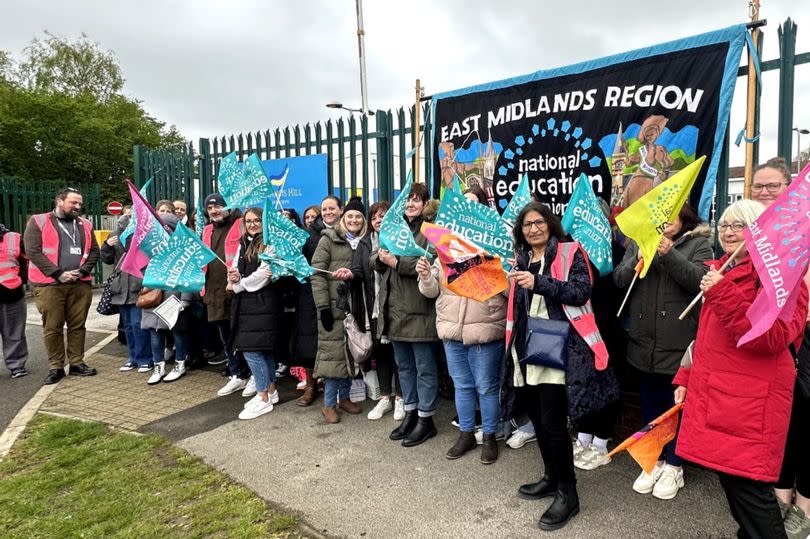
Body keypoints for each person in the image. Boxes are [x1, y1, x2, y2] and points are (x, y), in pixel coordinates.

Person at [673, 199, 808, 539]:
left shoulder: (784, 281)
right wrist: (686, 377)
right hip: (719, 398)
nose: (729, 232)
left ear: (761, 234)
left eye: (740, 225)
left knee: (750, 495)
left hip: (747, 407)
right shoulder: (723, 270)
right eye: (725, 225)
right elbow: (706, 340)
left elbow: (773, 338)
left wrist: (722, 292)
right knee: (736, 490)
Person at [504, 201, 616, 531]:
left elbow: (581, 291)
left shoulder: (569, 252)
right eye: (527, 225)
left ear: (550, 224)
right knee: (538, 420)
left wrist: (538, 282)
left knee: (554, 424)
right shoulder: (521, 258)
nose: (533, 229)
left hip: (559, 349)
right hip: (527, 350)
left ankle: (569, 493)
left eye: (538, 223)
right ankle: (551, 477)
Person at [613, 203, 712, 499]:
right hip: (643, 342)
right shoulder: (639, 241)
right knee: (651, 405)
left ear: (684, 216)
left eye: (672, 214)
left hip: (677, 345)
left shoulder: (700, 243)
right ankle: (654, 459)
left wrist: (670, 253)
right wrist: (636, 261)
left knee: (676, 408)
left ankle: (675, 464)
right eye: (660, 216)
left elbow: (700, 282)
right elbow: (619, 280)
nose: (665, 221)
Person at [416, 246, 506, 464]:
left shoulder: (495, 250)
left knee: (486, 387)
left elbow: (510, 292)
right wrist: (426, 276)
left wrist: (499, 268)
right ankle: (466, 434)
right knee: (462, 386)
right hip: (452, 330)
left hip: (485, 329)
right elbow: (430, 291)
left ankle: (489, 436)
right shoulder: (446, 252)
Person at [374, 183, 440, 447]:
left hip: (420, 311)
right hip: (395, 311)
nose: (411, 204)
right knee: (405, 368)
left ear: (424, 204)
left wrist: (397, 263)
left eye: (416, 200)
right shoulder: (393, 228)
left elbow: (432, 261)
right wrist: (380, 258)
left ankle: (427, 419)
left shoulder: (430, 231)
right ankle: (410, 413)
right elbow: (373, 259)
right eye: (408, 200)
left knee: (424, 368)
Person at [24, 187, 99, 385]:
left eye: (80, 203)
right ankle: (56, 366)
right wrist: (59, 273)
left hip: (80, 283)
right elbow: (33, 251)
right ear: (59, 201)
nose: (77, 206)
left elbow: (94, 252)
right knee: (53, 326)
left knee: (78, 325)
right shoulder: (38, 221)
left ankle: (76, 363)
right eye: (73, 202)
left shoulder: (85, 224)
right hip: (50, 284)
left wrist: (82, 272)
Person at [311, 196, 367, 423]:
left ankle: (344, 397)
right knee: (333, 357)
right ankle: (328, 404)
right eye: (350, 216)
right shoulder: (329, 239)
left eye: (358, 217)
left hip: (355, 309)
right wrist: (323, 306)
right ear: (343, 218)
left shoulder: (364, 242)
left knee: (349, 356)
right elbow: (316, 274)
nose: (354, 220)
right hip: (333, 309)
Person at [227, 207, 284, 420]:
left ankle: (262, 397)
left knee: (252, 350)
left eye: (256, 220)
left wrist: (239, 285)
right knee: (262, 350)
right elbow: (235, 265)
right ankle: (270, 390)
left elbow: (265, 273)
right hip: (247, 305)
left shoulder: (271, 243)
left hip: (264, 305)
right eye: (248, 220)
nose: (252, 224)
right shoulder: (243, 242)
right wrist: (232, 276)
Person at [351, 201, 404, 421]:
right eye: (374, 218)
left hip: (398, 305)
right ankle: (385, 397)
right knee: (381, 353)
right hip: (375, 309)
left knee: (400, 354)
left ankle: (401, 398)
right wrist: (349, 274)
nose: (378, 221)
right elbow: (357, 269)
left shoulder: (401, 239)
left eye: (382, 216)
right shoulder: (365, 242)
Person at [201, 193, 253, 397]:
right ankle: (237, 374)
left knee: (244, 337)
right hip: (214, 293)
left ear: (229, 207)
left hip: (237, 291)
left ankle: (253, 375)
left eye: (219, 206)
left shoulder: (241, 224)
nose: (214, 211)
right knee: (227, 339)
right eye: (210, 208)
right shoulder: (206, 229)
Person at [139, 213, 200, 385]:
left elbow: (190, 274)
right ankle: (159, 367)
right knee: (155, 332)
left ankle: (180, 365)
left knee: (178, 332)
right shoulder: (151, 249)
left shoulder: (184, 249)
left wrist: (186, 300)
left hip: (175, 298)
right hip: (154, 296)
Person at [294, 196, 343, 406]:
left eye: (332, 208)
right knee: (310, 343)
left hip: (340, 295)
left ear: (340, 210)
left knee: (337, 345)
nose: (328, 212)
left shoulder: (347, 231)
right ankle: (311, 386)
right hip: (311, 295)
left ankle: (342, 393)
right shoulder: (308, 236)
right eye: (325, 209)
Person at [100, 214, 152, 373]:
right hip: (121, 287)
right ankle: (133, 357)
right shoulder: (115, 234)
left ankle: (145, 358)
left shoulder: (146, 233)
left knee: (138, 324)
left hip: (138, 284)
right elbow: (107, 260)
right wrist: (107, 245)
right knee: (128, 326)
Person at [0, 222, 29, 378]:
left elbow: (27, 260)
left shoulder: (14, 238)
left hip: (11, 293)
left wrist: (20, 281)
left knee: (14, 332)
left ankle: (16, 365)